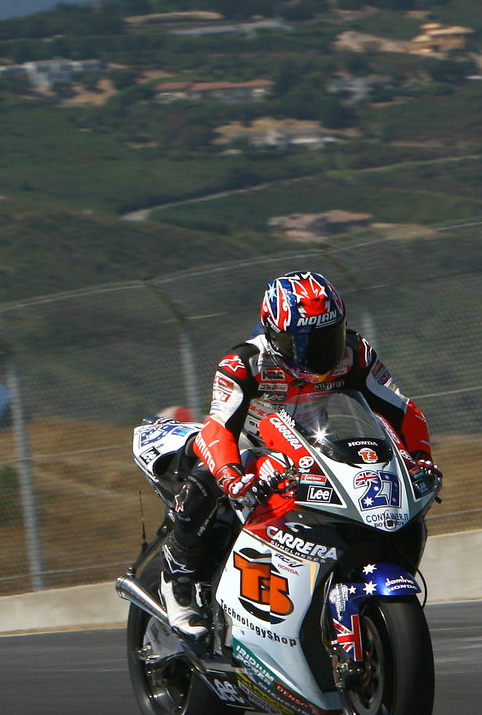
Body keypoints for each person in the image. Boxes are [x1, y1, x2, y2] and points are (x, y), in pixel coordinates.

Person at [158, 270, 441, 636]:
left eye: (329, 337)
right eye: (303, 343)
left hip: (311, 445)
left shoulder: (355, 354)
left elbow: (401, 410)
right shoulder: (243, 362)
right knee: (208, 479)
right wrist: (230, 474)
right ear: (274, 334)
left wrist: (420, 458)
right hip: (247, 447)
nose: (319, 354)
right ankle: (178, 579)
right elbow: (218, 428)